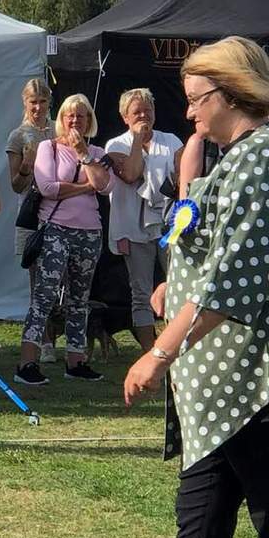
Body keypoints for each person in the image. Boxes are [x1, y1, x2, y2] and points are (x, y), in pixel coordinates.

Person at [82, 36, 269, 538]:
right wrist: (173, 286)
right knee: (200, 534)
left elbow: (235, 284)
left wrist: (156, 353)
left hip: (252, 386)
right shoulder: (231, 159)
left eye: (195, 100)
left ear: (231, 92)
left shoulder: (261, 160)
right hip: (217, 393)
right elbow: (209, 257)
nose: (188, 113)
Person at [14, 93, 113, 386]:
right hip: (56, 229)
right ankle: (27, 363)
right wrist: (84, 187)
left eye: (81, 115)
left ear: (89, 120)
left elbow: (104, 186)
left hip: (90, 232)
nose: (75, 120)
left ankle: (76, 361)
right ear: (61, 119)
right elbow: (47, 187)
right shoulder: (49, 147)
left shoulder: (97, 152)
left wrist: (84, 155)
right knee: (43, 296)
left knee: (79, 299)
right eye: (70, 115)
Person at [105, 88, 183, 352]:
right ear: (125, 117)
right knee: (141, 291)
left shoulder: (171, 140)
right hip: (132, 227)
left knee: (177, 285)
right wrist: (138, 139)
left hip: (169, 226)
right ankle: (149, 352)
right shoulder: (115, 145)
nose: (143, 116)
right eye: (137, 112)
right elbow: (130, 174)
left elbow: (184, 176)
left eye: (148, 110)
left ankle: (175, 346)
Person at [6, 78, 58, 363]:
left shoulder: (59, 128)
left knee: (61, 278)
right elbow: (16, 185)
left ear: (49, 102)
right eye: (33, 102)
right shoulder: (18, 136)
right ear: (24, 103)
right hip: (33, 213)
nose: (38, 107)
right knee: (38, 281)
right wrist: (26, 167)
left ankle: (62, 335)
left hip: (62, 210)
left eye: (43, 101)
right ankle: (43, 340)